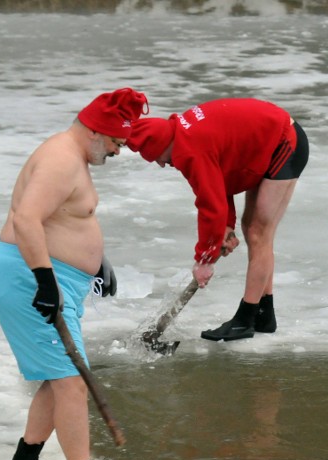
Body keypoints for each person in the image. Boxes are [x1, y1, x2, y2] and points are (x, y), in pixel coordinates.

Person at [0, 88, 149, 460]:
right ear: (96, 131)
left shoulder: (72, 156)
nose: (118, 151)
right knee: (72, 383)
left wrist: (98, 261)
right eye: (116, 142)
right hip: (30, 279)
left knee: (57, 376)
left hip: (55, 276)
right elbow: (26, 218)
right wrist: (45, 281)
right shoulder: (61, 158)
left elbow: (66, 217)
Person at [126, 98, 309, 341]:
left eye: (157, 157)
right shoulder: (183, 135)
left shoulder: (189, 150)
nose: (161, 164)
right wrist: (226, 227)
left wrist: (205, 259)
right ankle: (264, 315)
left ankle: (245, 319)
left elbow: (210, 204)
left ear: (163, 144)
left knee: (258, 232)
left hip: (285, 143)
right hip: (267, 141)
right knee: (252, 228)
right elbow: (220, 180)